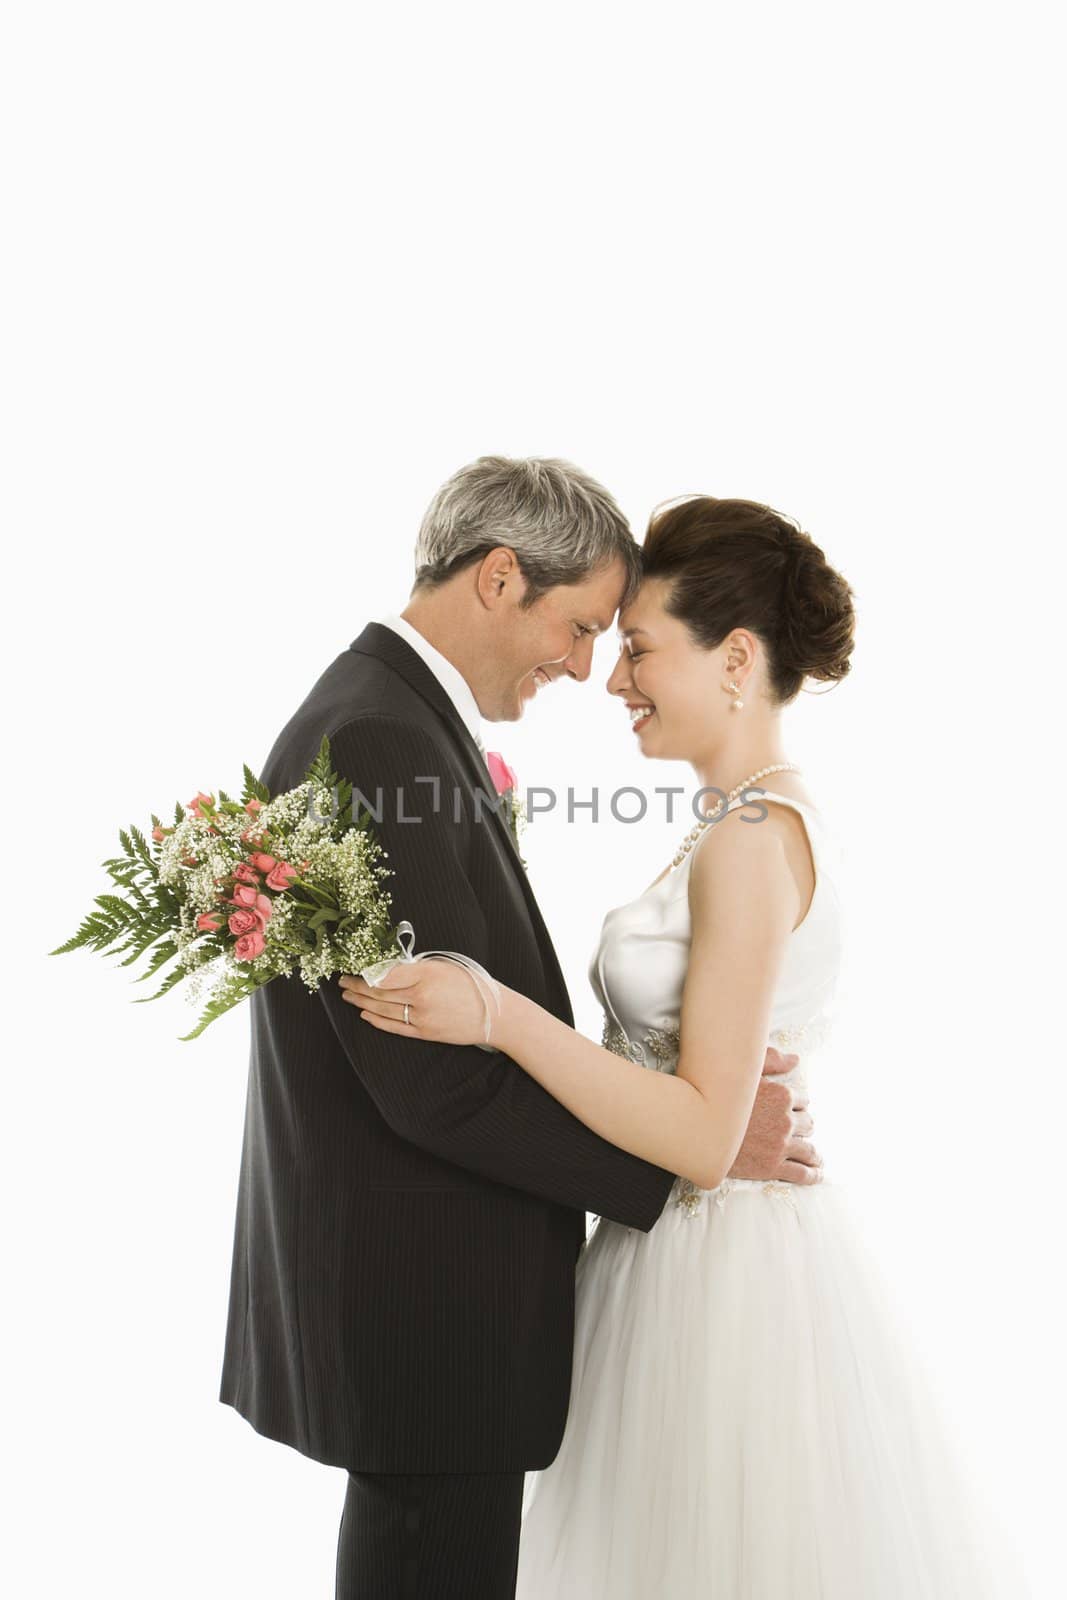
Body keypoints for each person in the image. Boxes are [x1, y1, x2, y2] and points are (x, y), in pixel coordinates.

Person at [343, 494, 1024, 1596]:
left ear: (735, 658)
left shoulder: (750, 841)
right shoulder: (736, 821)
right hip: (665, 1258)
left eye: (640, 650)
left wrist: (497, 1016)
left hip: (719, 1278)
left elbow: (706, 1136)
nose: (611, 680)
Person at [217, 460, 819, 1600]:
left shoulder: (386, 720)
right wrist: (694, 1148)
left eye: (617, 640)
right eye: (582, 625)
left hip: (423, 1302)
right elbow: (433, 1084)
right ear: (501, 578)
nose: (584, 667)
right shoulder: (380, 739)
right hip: (429, 1306)